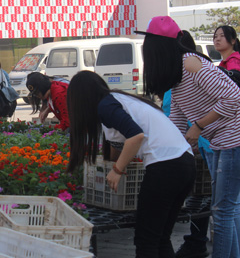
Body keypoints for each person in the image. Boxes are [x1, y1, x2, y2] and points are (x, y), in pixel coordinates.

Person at [140, 15, 240, 258]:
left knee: (222, 210)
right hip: (220, 141)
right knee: (225, 209)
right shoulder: (175, 73)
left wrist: (198, 127)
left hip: (234, 138)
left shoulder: (190, 64)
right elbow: (176, 118)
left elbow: (234, 96)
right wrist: (170, 148)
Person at [67, 70, 195, 257]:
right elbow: (120, 141)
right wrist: (112, 164)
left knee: (146, 240)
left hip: (166, 166)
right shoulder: (117, 100)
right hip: (184, 162)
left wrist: (117, 170)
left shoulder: (106, 106)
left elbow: (136, 136)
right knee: (160, 238)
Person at [166, 31, 214, 258]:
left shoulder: (183, 74)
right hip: (201, 143)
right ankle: (197, 241)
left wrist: (191, 135)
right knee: (205, 197)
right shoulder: (195, 69)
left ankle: (197, 242)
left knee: (206, 199)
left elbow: (174, 115)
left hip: (201, 144)